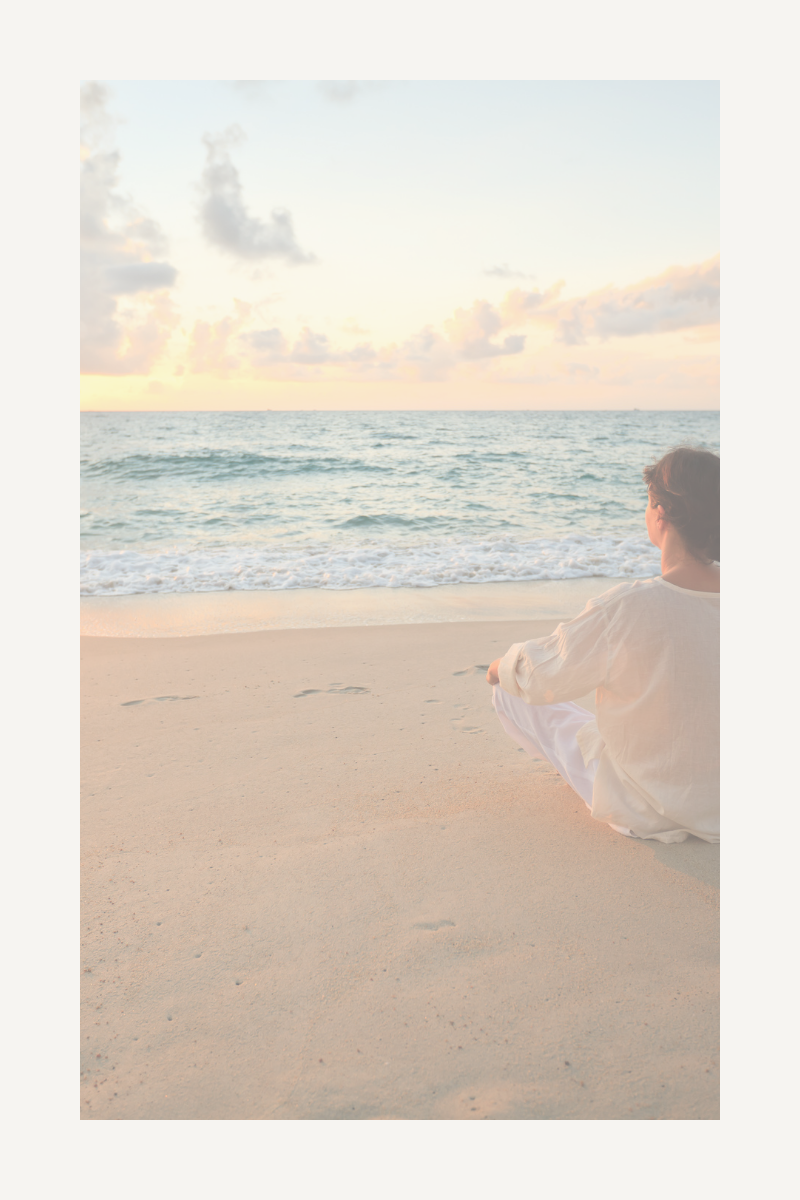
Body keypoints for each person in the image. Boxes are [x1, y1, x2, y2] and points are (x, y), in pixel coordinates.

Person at [486, 445, 720, 844]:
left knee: (509, 688)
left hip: (645, 808)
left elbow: (537, 675)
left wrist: (497, 667)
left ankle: (589, 781)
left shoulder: (628, 606)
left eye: (649, 503)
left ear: (660, 513)